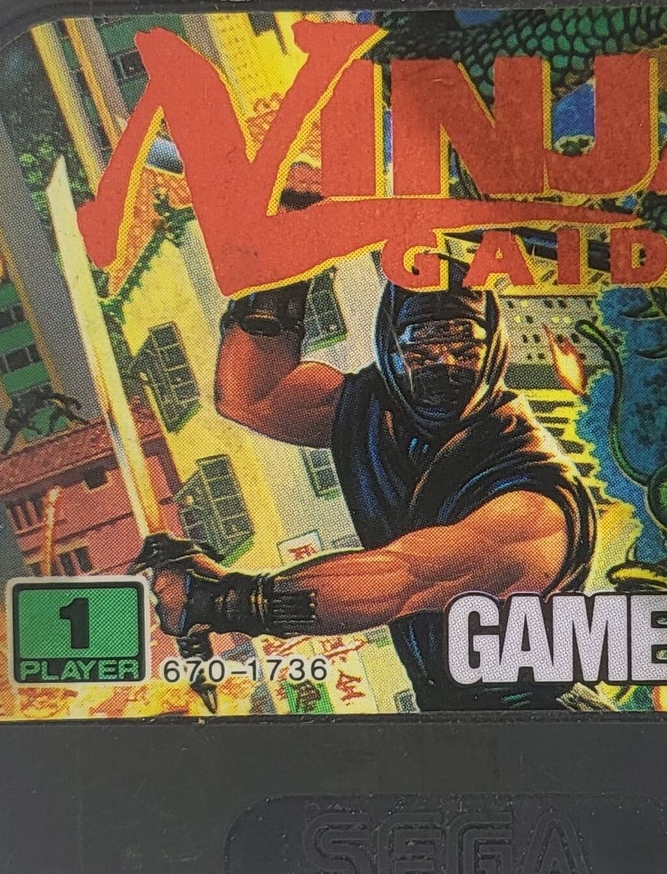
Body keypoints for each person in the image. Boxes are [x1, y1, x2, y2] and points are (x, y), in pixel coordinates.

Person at [139, 279, 597, 709]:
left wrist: (222, 601)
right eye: (421, 351)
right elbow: (253, 396)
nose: (444, 366)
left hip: (538, 722)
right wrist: (281, 271)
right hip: (448, 716)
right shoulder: (376, 409)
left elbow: (402, 579)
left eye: (464, 350)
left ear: (493, 351)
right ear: (391, 349)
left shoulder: (539, 496)